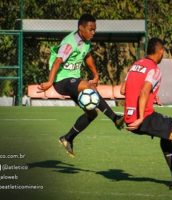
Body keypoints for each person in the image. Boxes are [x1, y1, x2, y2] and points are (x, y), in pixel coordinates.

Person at [38, 14, 124, 158]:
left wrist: (95, 74)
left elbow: (87, 56)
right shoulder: (70, 43)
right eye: (91, 29)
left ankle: (68, 138)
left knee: (92, 113)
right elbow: (58, 61)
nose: (93, 32)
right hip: (62, 81)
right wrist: (49, 82)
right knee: (89, 88)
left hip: (73, 81)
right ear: (81, 28)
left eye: (95, 30)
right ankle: (115, 118)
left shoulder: (86, 42)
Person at [120, 38, 172, 192]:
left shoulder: (136, 65)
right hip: (145, 118)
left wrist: (151, 96)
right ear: (160, 51)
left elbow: (124, 89)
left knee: (165, 137)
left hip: (130, 119)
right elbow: (143, 91)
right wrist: (142, 117)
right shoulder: (154, 70)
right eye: (164, 51)